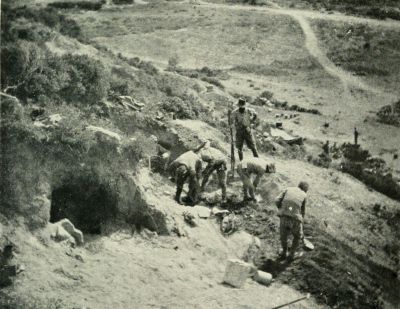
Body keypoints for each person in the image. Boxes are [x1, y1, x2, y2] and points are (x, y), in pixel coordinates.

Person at [275, 182, 309, 262]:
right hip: (296, 218)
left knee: (284, 236)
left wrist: (281, 209)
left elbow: (276, 200)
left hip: (284, 216)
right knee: (297, 236)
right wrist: (301, 221)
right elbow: (303, 211)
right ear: (305, 189)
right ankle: (291, 255)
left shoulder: (288, 189)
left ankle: (284, 252)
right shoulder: (304, 195)